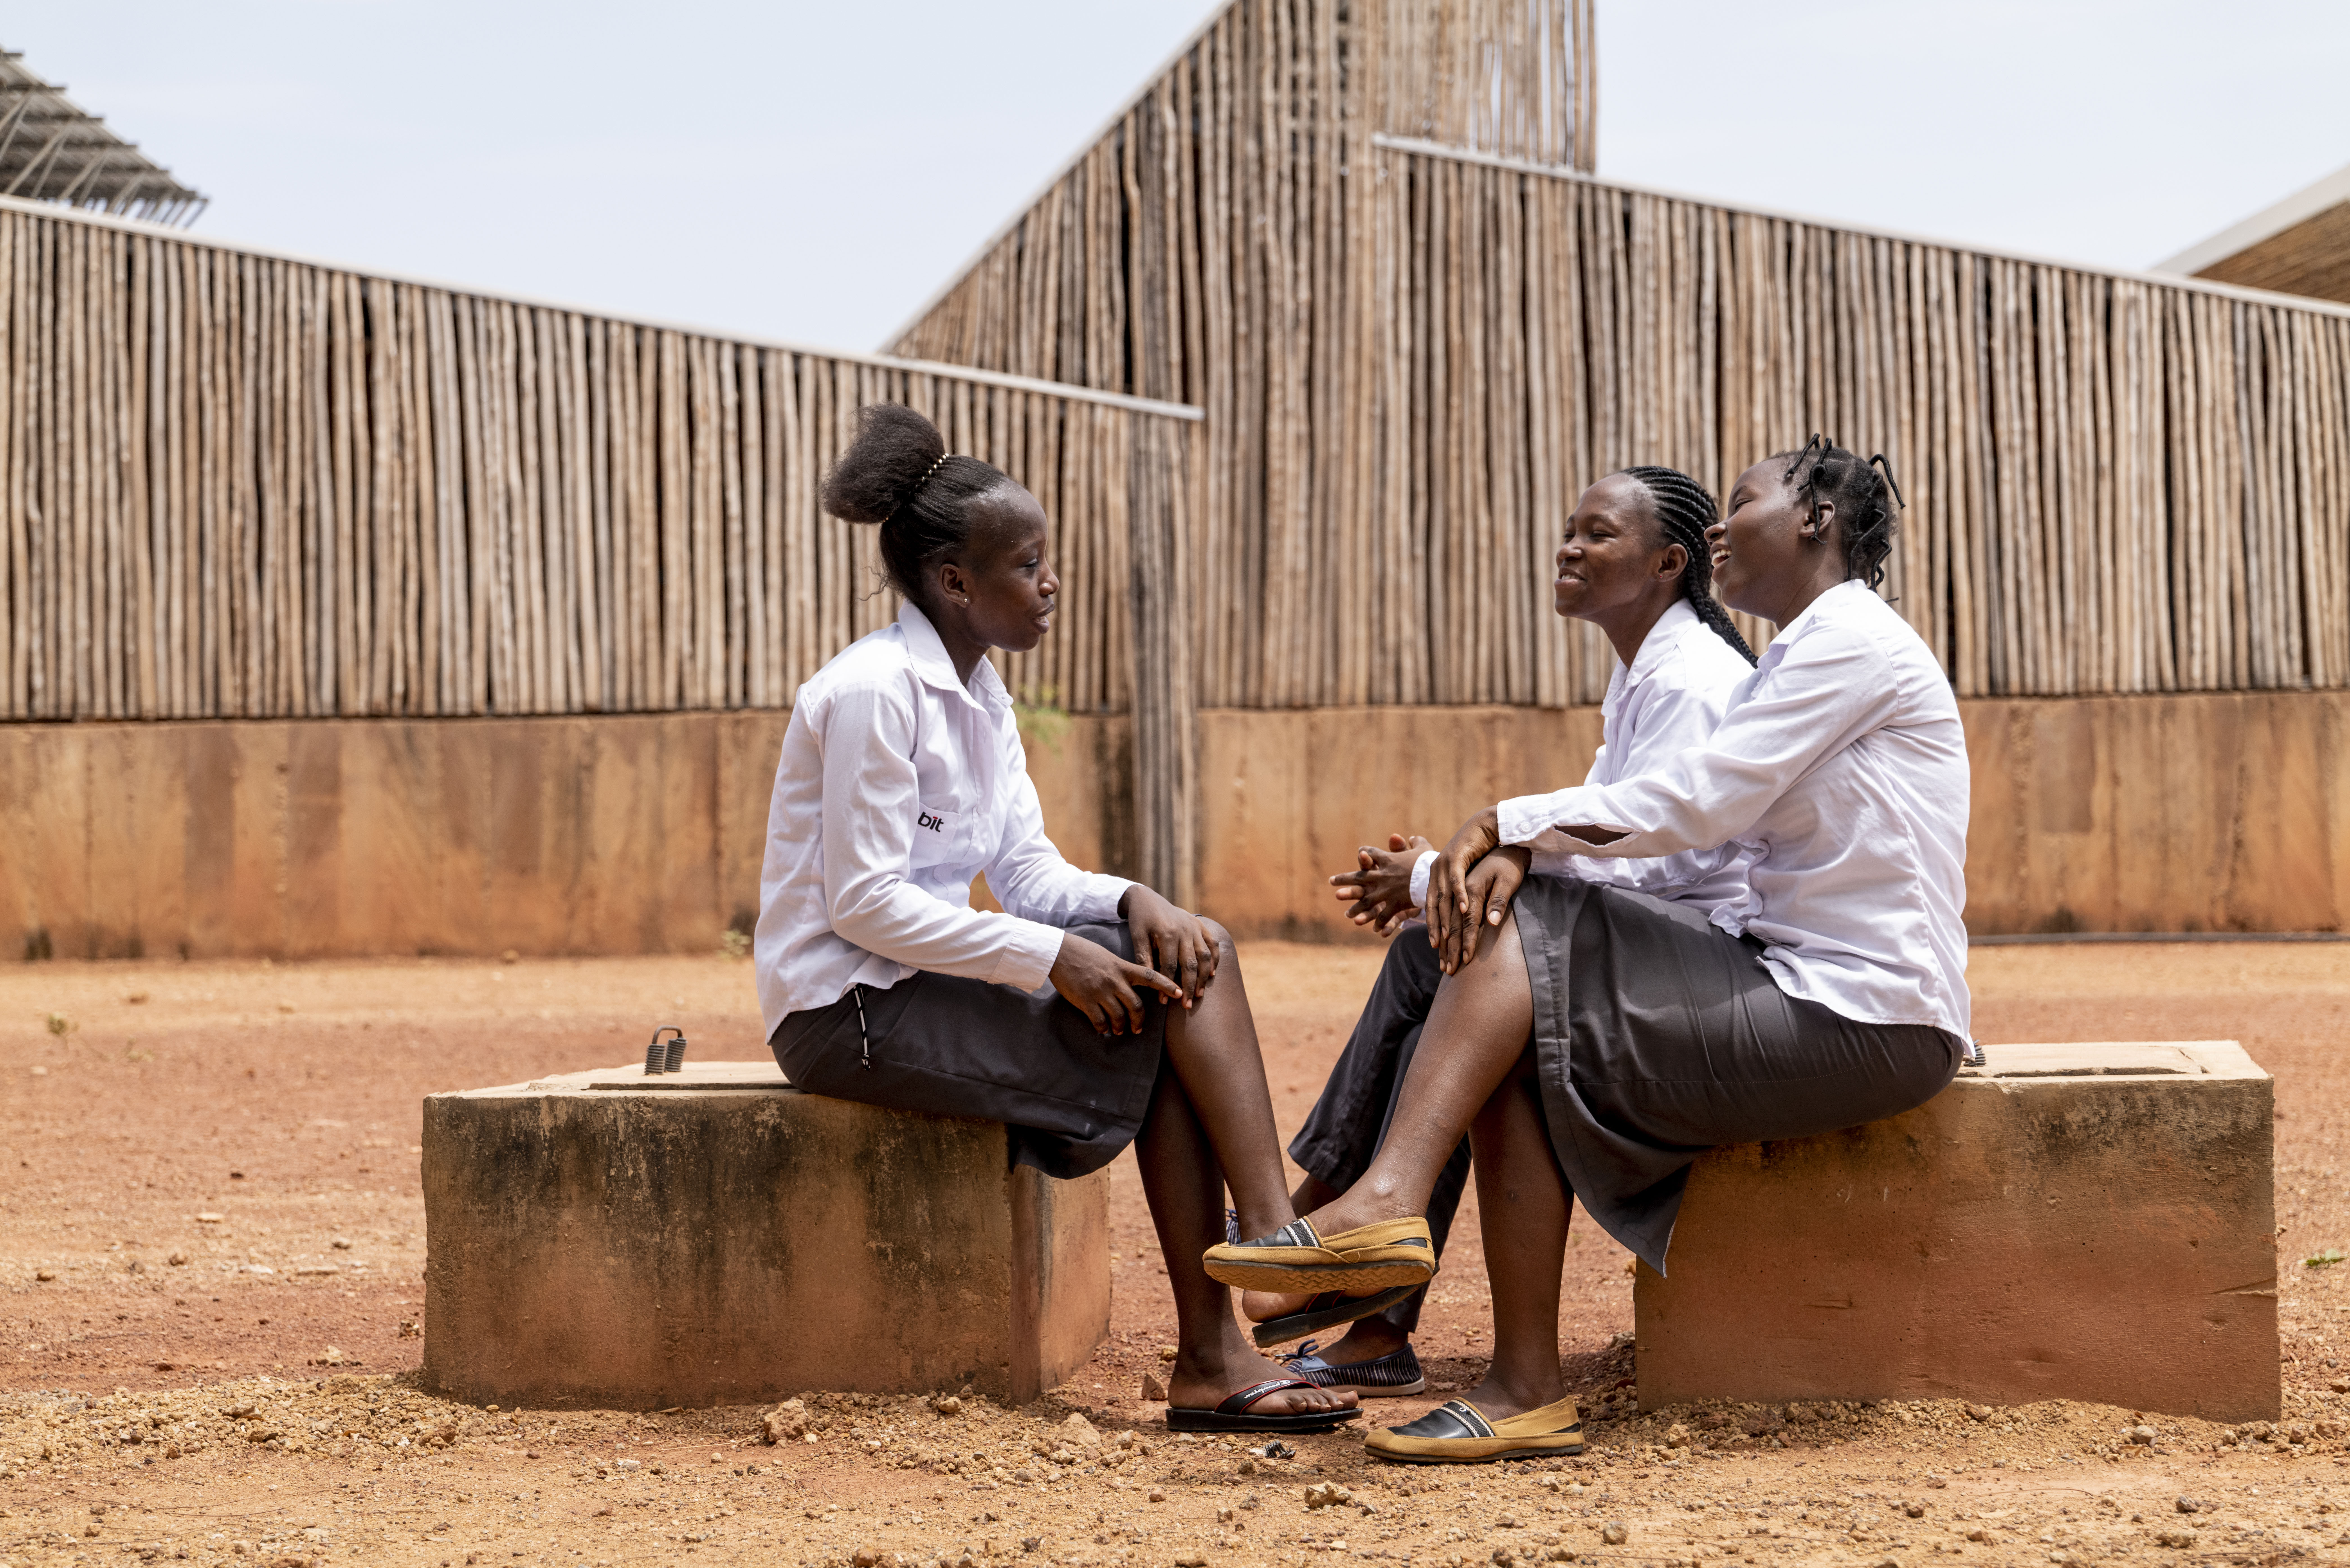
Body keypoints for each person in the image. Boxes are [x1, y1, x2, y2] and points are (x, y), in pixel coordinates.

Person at [1204, 437, 1971, 1464]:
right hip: (1793, 985)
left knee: (1518, 924)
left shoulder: (1851, 644)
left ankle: (1382, 1212)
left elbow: (1698, 807)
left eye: (1740, 503)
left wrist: (1508, 829)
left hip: (1869, 1017)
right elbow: (1682, 813)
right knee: (1515, 1007)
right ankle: (1519, 1382)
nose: (1715, 531)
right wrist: (1513, 844)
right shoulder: (1794, 652)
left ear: (1816, 521)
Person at [756, 404, 1366, 1435]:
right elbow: (863, 905)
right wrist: (1052, 959)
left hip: (921, 989)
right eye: (1029, 564)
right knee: (1161, 1023)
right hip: (849, 1013)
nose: (1050, 584)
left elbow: (1028, 872)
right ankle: (1245, 1292)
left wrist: (1135, 902)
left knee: (1186, 950)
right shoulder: (874, 692)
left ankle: (1254, 1267)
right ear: (956, 582)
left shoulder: (981, 696)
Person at [1240, 467, 1758, 1400]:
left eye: (1598, 535)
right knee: (1436, 948)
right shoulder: (1646, 669)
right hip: (1649, 936)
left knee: (1456, 947)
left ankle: (1328, 1225)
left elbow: (1663, 857)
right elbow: (1603, 832)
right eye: (1570, 530)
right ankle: (1362, 1278)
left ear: (1668, 563)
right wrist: (1456, 870)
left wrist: (1454, 866)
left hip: (1701, 958)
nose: (1570, 547)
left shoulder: (1690, 680)